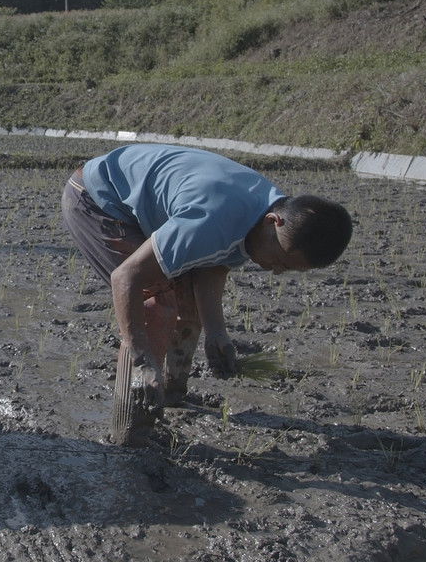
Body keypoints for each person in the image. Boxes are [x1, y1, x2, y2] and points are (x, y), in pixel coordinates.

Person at [60, 144, 352, 445]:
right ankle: (131, 427)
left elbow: (213, 264)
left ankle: (171, 394)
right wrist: (140, 357)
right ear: (273, 223)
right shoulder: (213, 219)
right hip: (96, 198)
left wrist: (216, 332)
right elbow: (126, 278)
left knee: (188, 303)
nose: (276, 271)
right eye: (281, 259)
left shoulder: (265, 213)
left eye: (288, 269)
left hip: (142, 201)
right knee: (158, 303)